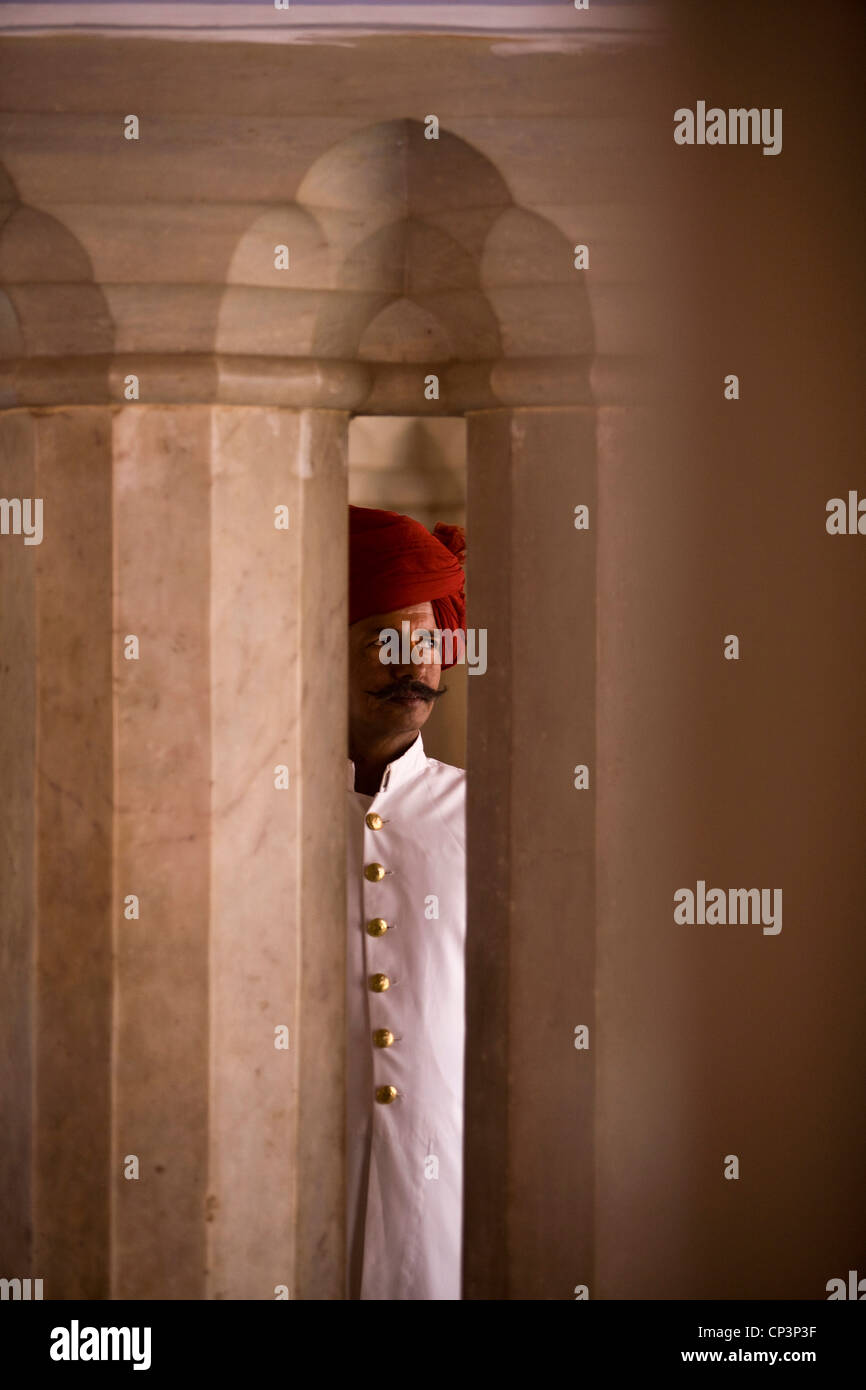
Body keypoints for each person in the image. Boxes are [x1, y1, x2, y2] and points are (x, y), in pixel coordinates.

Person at [346, 503, 467, 1301]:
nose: (413, 664)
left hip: (442, 1187)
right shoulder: (247, 820)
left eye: (426, 641)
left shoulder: (490, 820)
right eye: (386, 640)